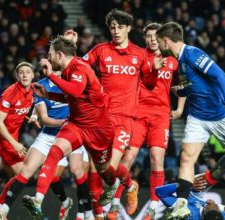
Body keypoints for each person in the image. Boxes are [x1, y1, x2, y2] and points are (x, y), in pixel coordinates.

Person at [155, 22, 225, 219]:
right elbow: (196, 85)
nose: (158, 47)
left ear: (166, 41)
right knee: (186, 157)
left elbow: (219, 74)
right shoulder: (180, 61)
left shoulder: (191, 53)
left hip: (219, 116)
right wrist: (181, 91)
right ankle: (181, 204)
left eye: (158, 43)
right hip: (197, 117)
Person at [64, 9, 157, 218]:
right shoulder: (101, 50)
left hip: (125, 119)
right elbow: (77, 68)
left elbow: (150, 84)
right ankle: (128, 186)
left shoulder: (140, 54)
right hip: (102, 118)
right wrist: (71, 46)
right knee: (99, 170)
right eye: (112, 27)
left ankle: (120, 190)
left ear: (129, 28)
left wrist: (155, 70)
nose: (115, 31)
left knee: (111, 169)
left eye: (120, 27)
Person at [0, 70, 93, 220]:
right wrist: (59, 120)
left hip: (73, 134)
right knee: (28, 170)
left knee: (76, 171)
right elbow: (44, 118)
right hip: (49, 135)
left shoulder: (74, 81)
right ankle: (3, 210)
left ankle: (85, 214)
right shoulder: (40, 85)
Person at [107, 22, 186, 220]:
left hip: (160, 117)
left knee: (156, 160)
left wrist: (179, 109)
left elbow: (182, 85)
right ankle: (115, 204)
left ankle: (153, 206)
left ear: (160, 38)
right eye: (148, 36)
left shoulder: (172, 60)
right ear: (144, 38)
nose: (151, 39)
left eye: (154, 36)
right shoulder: (139, 57)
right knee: (127, 158)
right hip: (137, 114)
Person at [0, 62, 34, 216]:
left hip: (11, 137)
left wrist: (34, 115)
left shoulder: (35, 90)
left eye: (27, 72)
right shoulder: (9, 93)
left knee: (23, 174)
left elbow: (34, 105)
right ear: (17, 76)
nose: (24, 75)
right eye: (21, 72)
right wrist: (15, 144)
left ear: (32, 75)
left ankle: (0, 204)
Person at [156, 179, 225, 220]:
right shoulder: (224, 218)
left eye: (210, 204)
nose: (211, 201)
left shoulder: (188, 213)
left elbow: (160, 192)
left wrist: (187, 185)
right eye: (217, 207)